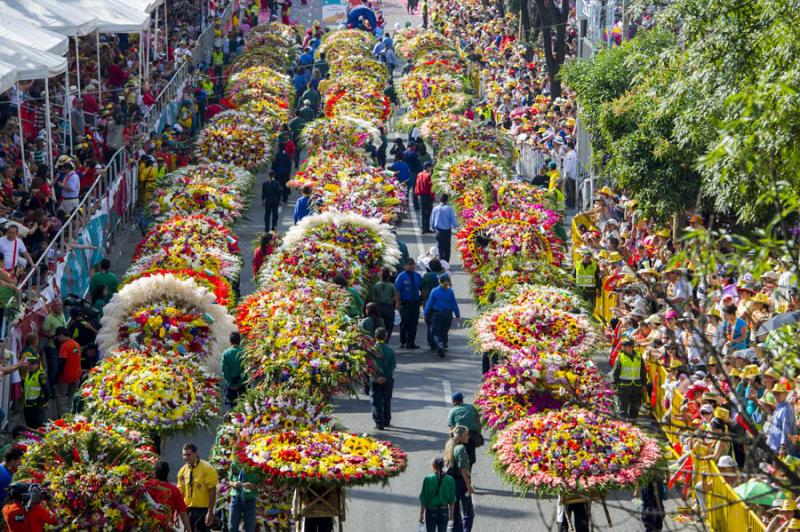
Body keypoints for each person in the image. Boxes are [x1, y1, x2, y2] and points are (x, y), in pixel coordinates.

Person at [177, 443, 219, 532]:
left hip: (202, 510)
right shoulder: (182, 471)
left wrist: (210, 511)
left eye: (188, 454)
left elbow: (212, 491)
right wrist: (177, 511)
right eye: (184, 455)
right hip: (187, 510)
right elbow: (180, 493)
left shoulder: (207, 468)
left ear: (196, 453)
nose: (186, 457)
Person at [146, 461, 191, 531]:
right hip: (166, 528)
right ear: (167, 473)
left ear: (154, 472)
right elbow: (182, 512)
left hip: (147, 527)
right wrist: (189, 529)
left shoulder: (146, 487)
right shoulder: (174, 490)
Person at [444, 425, 474, 532]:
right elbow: (462, 468)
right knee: (468, 513)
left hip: (451, 483)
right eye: (466, 434)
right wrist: (468, 485)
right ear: (460, 436)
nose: (468, 436)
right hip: (461, 482)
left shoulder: (449, 444)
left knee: (455, 512)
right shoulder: (460, 448)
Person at [424, 274, 461, 358]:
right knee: (444, 332)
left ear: (439, 281)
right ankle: (443, 345)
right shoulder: (450, 291)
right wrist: (457, 315)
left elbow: (430, 304)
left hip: (438, 314)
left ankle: (439, 345)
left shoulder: (434, 291)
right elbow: (454, 304)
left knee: (436, 332)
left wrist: (426, 313)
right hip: (448, 315)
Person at [418, 456, 456, 532]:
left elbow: (424, 499)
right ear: (443, 466)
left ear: (433, 466)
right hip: (444, 511)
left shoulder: (428, 479)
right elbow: (452, 500)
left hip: (431, 511)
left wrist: (421, 516)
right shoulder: (450, 480)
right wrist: (451, 516)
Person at [612, 338, 646, 420]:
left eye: (625, 346)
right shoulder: (620, 356)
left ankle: (633, 424)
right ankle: (622, 425)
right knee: (623, 407)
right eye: (623, 345)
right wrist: (615, 385)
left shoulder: (638, 355)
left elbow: (642, 371)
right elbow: (616, 372)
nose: (623, 347)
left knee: (635, 407)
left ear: (631, 346)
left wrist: (644, 384)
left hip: (636, 385)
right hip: (624, 386)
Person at [370, 328, 396, 430]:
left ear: (375, 336)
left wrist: (376, 377)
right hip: (387, 379)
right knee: (387, 400)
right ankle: (387, 420)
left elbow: (368, 365)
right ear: (385, 337)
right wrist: (385, 376)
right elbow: (392, 365)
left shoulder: (372, 350)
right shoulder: (390, 350)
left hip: (375, 379)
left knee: (376, 401)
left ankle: (379, 423)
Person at [447, 392, 482, 466]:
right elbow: (478, 421)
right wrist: (478, 434)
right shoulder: (471, 407)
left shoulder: (453, 411)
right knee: (471, 457)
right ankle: (468, 473)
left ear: (454, 402)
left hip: (460, 436)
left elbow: (452, 427)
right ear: (462, 399)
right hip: (472, 435)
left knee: (456, 456)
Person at [395, 259, 423, 349]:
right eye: (409, 264)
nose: (411, 266)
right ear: (405, 266)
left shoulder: (417, 276)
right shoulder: (401, 276)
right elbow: (397, 291)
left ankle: (411, 343)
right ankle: (402, 341)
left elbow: (422, 288)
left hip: (415, 303)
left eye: (412, 264)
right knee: (404, 323)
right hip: (405, 304)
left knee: (413, 324)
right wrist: (397, 303)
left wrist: (421, 299)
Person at [228, 459, 261, 532]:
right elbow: (230, 481)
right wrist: (234, 484)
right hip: (236, 499)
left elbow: (261, 483)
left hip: (250, 500)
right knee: (232, 527)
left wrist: (253, 486)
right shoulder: (234, 464)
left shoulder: (256, 465)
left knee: (250, 528)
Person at [369, 267, 400, 342]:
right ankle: (386, 341)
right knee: (389, 326)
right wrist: (397, 306)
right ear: (389, 276)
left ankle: (379, 340)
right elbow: (396, 297)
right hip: (389, 308)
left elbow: (373, 298)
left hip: (379, 308)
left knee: (379, 325)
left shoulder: (376, 285)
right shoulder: (392, 286)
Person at [55, 327, 81, 414]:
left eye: (57, 337)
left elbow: (62, 362)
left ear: (62, 334)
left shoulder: (64, 346)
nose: (57, 339)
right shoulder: (76, 344)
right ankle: (71, 414)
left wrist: (57, 375)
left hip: (65, 377)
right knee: (72, 396)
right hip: (76, 376)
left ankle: (63, 417)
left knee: (61, 396)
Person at [21, 355, 48, 430]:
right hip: (27, 404)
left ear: (37, 364)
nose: (31, 366)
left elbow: (47, 391)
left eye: (33, 364)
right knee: (29, 425)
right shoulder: (27, 374)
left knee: (37, 425)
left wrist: (42, 402)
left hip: (36, 405)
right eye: (29, 364)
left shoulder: (40, 376)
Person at [429, 194, 459, 262]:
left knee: (440, 248)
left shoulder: (435, 208)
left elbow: (432, 219)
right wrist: (457, 227)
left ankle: (441, 262)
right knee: (447, 248)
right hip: (447, 231)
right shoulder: (449, 209)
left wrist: (432, 227)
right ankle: (446, 262)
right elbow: (453, 219)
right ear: (447, 200)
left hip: (438, 231)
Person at [222, 331, 246, 406]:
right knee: (246, 404)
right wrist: (239, 383)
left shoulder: (226, 353)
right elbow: (246, 370)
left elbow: (224, 370)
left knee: (232, 405)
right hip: (242, 381)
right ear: (240, 341)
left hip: (230, 381)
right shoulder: (244, 352)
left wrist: (231, 384)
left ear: (230, 341)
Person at [415, 162, 435, 233]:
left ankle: (422, 228)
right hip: (428, 195)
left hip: (420, 195)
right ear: (428, 167)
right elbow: (431, 188)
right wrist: (433, 197)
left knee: (422, 212)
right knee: (428, 213)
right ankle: (427, 227)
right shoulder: (429, 175)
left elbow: (417, 185)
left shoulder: (419, 174)